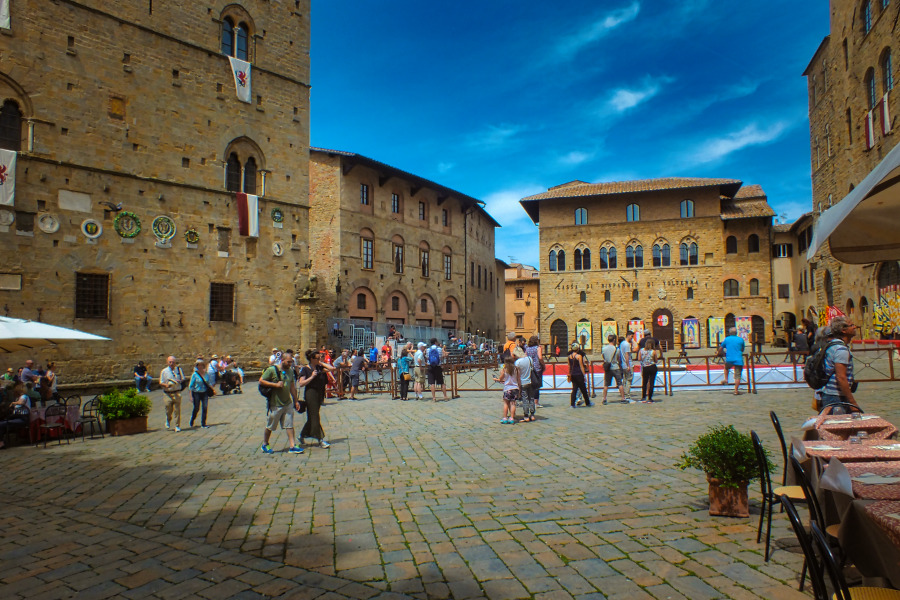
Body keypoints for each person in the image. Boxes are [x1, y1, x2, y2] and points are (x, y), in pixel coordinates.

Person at [259, 352, 302, 454]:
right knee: (271, 425)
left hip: (287, 402)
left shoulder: (290, 371)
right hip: (276, 403)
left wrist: (296, 400)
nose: (290, 364)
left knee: (289, 424)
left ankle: (292, 445)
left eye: (291, 362)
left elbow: (292, 386)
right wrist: (275, 385)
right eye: (288, 362)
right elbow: (261, 381)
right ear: (282, 360)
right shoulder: (272, 370)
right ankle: (265, 444)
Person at [820, 317, 859, 413]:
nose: (855, 327)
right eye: (851, 325)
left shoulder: (832, 344)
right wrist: (853, 403)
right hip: (836, 397)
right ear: (843, 330)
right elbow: (841, 377)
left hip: (832, 394)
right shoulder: (840, 350)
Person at [298, 349, 334, 448]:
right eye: (317, 358)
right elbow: (301, 383)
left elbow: (331, 368)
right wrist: (312, 377)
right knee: (315, 416)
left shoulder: (319, 367)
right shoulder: (305, 369)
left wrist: (321, 363)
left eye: (319, 358)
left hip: (319, 393)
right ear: (311, 359)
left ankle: (302, 435)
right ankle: (320, 439)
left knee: (312, 417)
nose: (319, 359)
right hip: (311, 393)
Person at [0, 383, 31, 449]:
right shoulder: (18, 398)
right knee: (2, 424)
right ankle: (1, 441)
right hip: (17, 417)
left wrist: (13, 403)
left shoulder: (24, 396)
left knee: (1, 424)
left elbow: (21, 403)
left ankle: (1, 443)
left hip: (22, 418)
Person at [493, 357, 520, 424]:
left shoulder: (504, 369)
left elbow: (500, 379)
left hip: (507, 388)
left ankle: (505, 418)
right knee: (513, 404)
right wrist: (519, 388)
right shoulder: (516, 369)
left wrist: (496, 379)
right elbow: (518, 379)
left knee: (506, 403)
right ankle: (512, 418)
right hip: (515, 388)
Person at [160, 356, 184, 432]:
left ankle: (177, 426)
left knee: (177, 410)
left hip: (177, 392)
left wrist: (179, 380)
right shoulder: (164, 371)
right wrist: (166, 385)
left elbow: (183, 379)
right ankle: (168, 419)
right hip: (168, 393)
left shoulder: (179, 370)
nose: (171, 363)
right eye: (170, 362)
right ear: (167, 362)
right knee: (168, 409)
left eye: (173, 362)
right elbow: (161, 382)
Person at [718, 327, 746, 395]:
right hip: (738, 359)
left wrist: (719, 353)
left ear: (729, 333)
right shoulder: (741, 340)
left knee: (726, 368)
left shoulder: (727, 339)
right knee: (738, 376)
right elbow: (742, 349)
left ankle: (726, 379)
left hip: (729, 359)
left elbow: (721, 348)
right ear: (736, 333)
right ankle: (736, 390)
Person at [189, 359, 215, 428]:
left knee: (205, 407)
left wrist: (212, 389)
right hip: (197, 393)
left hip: (204, 393)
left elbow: (208, 383)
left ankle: (203, 423)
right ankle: (192, 420)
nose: (200, 366)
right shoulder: (194, 375)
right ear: (197, 366)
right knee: (196, 408)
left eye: (201, 365)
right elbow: (191, 386)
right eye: (199, 365)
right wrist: (191, 396)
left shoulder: (206, 374)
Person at [601, 334, 625, 404]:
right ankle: (623, 398)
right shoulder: (617, 349)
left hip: (608, 368)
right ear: (614, 340)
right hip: (615, 367)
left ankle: (604, 399)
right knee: (620, 383)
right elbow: (618, 358)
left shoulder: (604, 349)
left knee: (606, 384)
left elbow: (603, 357)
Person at [514, 347, 535, 422]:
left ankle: (526, 415)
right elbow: (532, 368)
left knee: (525, 399)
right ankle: (532, 414)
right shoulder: (529, 359)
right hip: (530, 380)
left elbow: (517, 374)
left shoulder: (518, 362)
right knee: (531, 397)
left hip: (522, 382)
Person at [568, 342, 592, 408]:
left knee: (574, 389)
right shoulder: (579, 356)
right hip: (579, 374)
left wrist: (569, 373)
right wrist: (584, 375)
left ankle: (572, 404)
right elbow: (581, 366)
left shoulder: (569, 357)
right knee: (583, 389)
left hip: (573, 374)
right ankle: (588, 403)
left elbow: (569, 366)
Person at [639, 338, 661, 403]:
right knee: (651, 382)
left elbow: (639, 358)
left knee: (644, 382)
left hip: (645, 367)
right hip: (652, 367)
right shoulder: (653, 351)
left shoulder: (641, 350)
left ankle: (643, 397)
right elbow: (656, 360)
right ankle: (650, 398)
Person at [427, 338, 449, 402]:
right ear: (436, 342)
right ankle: (445, 396)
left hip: (430, 367)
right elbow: (442, 357)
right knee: (442, 382)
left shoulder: (428, 350)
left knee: (432, 383)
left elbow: (427, 358)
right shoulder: (439, 349)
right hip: (438, 366)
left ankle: (434, 398)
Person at [619, 331, 635, 402]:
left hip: (623, 364)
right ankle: (627, 395)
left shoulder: (622, 343)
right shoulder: (627, 344)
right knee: (629, 379)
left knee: (625, 379)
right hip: (627, 364)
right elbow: (627, 355)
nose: (632, 338)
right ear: (628, 336)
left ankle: (624, 394)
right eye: (631, 336)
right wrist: (628, 365)